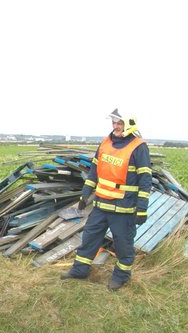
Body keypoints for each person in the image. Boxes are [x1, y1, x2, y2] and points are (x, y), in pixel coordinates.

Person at [61, 109, 151, 291]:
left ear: (130, 124)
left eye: (120, 123)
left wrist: (141, 209)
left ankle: (120, 277)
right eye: (114, 123)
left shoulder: (138, 147)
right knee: (89, 239)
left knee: (124, 246)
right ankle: (79, 270)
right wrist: (85, 194)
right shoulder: (105, 143)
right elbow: (94, 171)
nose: (116, 126)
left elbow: (145, 181)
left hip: (123, 210)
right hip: (101, 205)